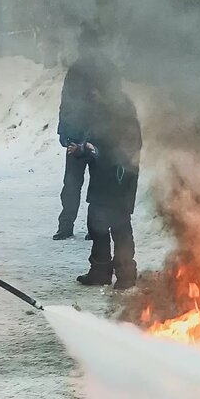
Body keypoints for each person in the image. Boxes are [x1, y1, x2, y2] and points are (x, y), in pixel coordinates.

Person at [77, 72, 142, 290]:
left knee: (120, 228)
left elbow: (127, 152)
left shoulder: (123, 115)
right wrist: (82, 149)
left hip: (118, 182)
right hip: (100, 182)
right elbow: (91, 138)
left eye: (96, 91)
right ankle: (99, 272)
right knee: (97, 227)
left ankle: (126, 275)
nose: (92, 95)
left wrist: (99, 152)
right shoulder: (99, 111)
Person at [54, 30, 119, 241]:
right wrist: (64, 132)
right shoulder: (75, 71)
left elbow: (114, 106)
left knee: (96, 185)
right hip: (76, 135)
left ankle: (95, 228)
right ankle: (66, 225)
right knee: (72, 184)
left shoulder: (108, 71)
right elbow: (67, 103)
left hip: (100, 137)